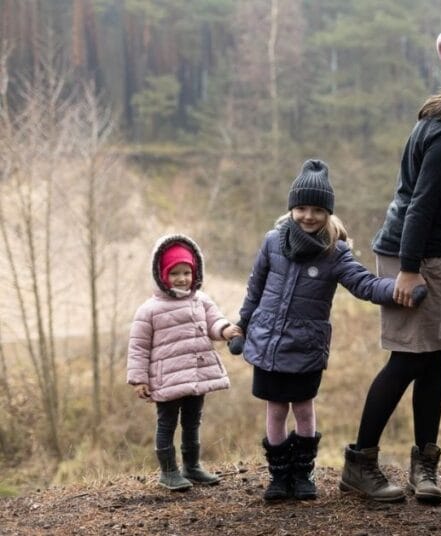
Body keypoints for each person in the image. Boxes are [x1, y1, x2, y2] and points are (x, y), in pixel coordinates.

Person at [339, 32, 441, 505]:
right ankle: (360, 463)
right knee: (408, 358)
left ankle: (424, 464)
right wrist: (408, 271)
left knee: (436, 355)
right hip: (412, 254)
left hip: (431, 254)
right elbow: (421, 205)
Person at [236, 159, 403, 502]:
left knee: (303, 408)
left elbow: (364, 284)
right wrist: (241, 324)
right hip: (267, 342)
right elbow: (255, 288)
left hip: (306, 347)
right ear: (291, 208)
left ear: (328, 213)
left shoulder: (334, 252)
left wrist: (397, 290)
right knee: (276, 409)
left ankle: (303, 473)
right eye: (301, 208)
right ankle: (280, 476)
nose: (308, 216)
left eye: (316, 209)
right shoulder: (272, 242)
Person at [127, 234, 242, 491]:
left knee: (192, 421)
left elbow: (215, 321)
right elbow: (138, 347)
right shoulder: (150, 310)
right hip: (166, 378)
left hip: (196, 375)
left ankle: (192, 466)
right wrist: (139, 379)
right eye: (175, 273)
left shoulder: (201, 300)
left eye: (187, 272)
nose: (182, 278)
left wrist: (225, 331)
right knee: (166, 423)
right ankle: (168, 471)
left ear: (195, 272)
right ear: (161, 274)